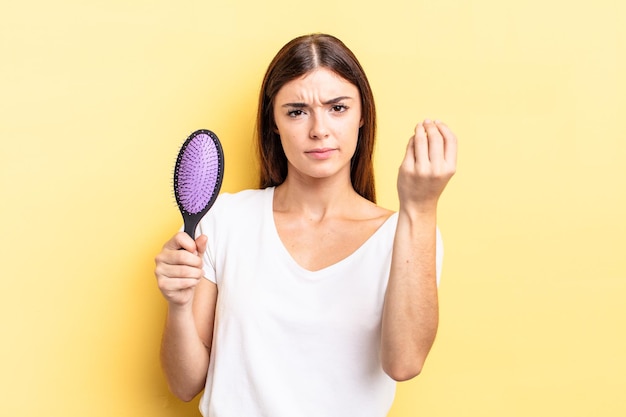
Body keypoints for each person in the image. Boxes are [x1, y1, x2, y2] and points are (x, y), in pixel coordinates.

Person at [154, 33, 457, 417]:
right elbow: (184, 385)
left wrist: (420, 207)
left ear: (362, 114)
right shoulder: (226, 221)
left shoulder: (406, 236)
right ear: (274, 123)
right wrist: (178, 305)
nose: (319, 129)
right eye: (297, 111)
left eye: (338, 108)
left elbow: (404, 364)